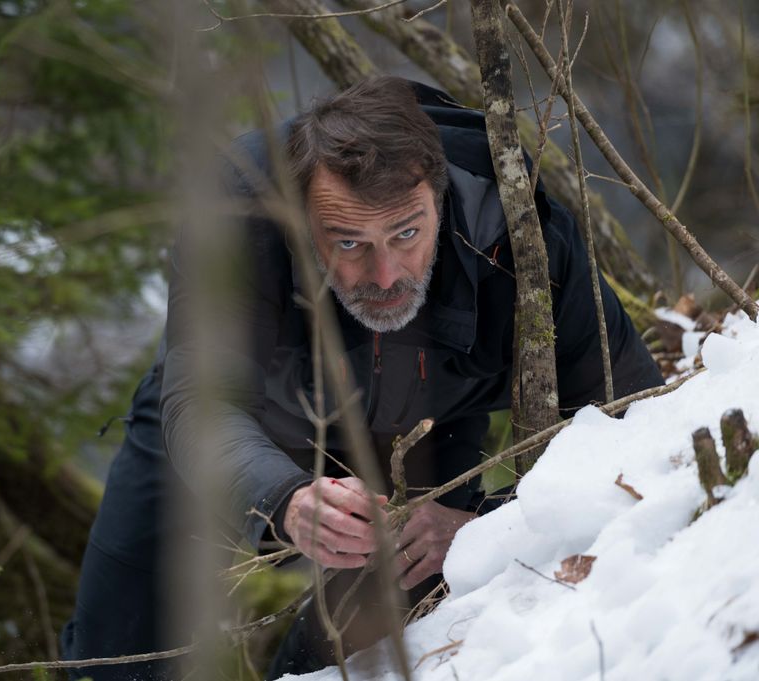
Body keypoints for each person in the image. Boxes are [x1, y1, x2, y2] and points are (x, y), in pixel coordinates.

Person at [59, 76, 662, 680]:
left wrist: (487, 524)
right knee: (111, 658)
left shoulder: (518, 231)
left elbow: (636, 422)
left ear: (441, 196)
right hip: (230, 437)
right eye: (348, 241)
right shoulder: (239, 218)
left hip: (425, 443)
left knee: (347, 657)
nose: (384, 274)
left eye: (407, 233)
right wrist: (284, 498)